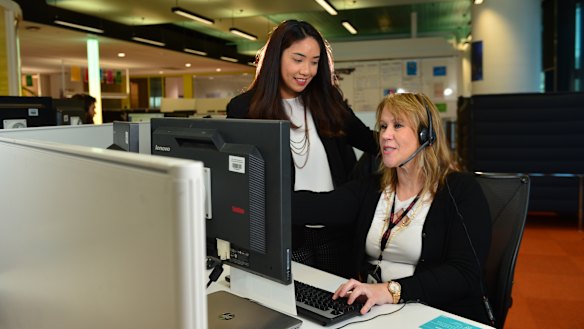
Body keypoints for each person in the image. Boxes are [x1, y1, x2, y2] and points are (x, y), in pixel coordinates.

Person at [291, 92, 493, 325]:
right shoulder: (372, 188)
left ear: (426, 135)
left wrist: (389, 291)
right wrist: (255, 193)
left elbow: (464, 273)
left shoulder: (460, 191)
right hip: (379, 311)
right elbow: (319, 207)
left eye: (398, 125)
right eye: (384, 126)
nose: (385, 135)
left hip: (434, 312)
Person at [226, 20, 378, 276]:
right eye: (298, 59)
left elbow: (368, 140)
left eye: (315, 61)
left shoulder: (329, 102)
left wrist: (413, 143)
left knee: (340, 301)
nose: (306, 70)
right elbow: (240, 177)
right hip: (286, 230)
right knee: (297, 304)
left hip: (336, 229)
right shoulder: (245, 109)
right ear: (276, 58)